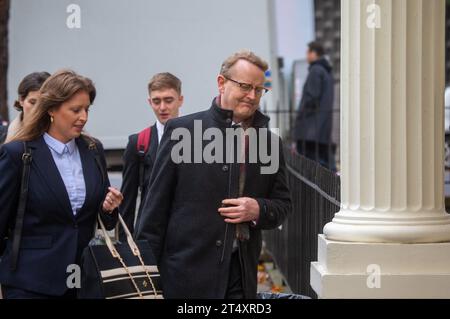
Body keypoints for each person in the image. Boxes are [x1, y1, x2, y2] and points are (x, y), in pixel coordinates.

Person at [136, 50, 292, 299]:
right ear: (221, 83)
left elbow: (283, 205)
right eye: (245, 86)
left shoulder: (269, 143)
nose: (252, 96)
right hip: (184, 277)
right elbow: (154, 212)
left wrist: (258, 209)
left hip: (240, 277)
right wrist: (146, 278)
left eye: (259, 89)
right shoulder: (181, 131)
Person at [0, 69, 123, 299]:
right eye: (75, 110)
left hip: (81, 281)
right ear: (51, 110)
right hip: (29, 284)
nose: (84, 117)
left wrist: (108, 208)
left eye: (87, 109)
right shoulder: (18, 154)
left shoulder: (93, 150)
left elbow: (100, 221)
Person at [119, 73, 183, 239]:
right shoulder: (139, 143)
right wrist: (125, 246)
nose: (162, 107)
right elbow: (127, 200)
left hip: (184, 237)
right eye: (156, 101)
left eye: (168, 100)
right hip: (149, 236)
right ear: (150, 102)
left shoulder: (195, 140)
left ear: (180, 100)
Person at [294, 41, 336, 171]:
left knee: (311, 170)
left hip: (310, 130)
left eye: (308, 52)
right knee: (326, 169)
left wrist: (300, 117)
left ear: (314, 53)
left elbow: (311, 97)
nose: (306, 56)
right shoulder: (326, 71)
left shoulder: (316, 70)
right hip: (321, 129)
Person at [6, 72, 51, 142]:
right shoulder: (5, 133)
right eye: (32, 102)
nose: (37, 109)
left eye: (43, 104)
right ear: (21, 100)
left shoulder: (57, 135)